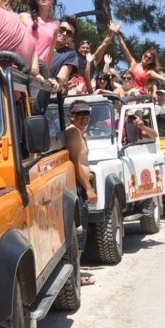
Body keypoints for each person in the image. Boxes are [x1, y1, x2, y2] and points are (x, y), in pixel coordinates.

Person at [66, 100, 97, 277]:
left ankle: (77, 273)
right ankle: (76, 276)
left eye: (87, 114)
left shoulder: (79, 132)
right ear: (72, 116)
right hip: (78, 186)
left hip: (82, 184)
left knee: (82, 231)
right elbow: (76, 163)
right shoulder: (73, 133)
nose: (85, 117)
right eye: (80, 114)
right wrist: (88, 188)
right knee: (80, 232)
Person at [115, 27, 165, 93]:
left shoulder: (149, 72)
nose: (146, 58)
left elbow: (162, 79)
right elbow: (125, 49)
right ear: (143, 55)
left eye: (149, 58)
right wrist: (117, 34)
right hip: (127, 94)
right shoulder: (133, 64)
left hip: (139, 97)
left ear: (151, 61)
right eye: (145, 56)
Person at [21, 0, 58, 71]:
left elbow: (50, 52)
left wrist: (47, 75)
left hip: (40, 73)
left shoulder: (55, 25)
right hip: (22, 68)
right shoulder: (23, 17)